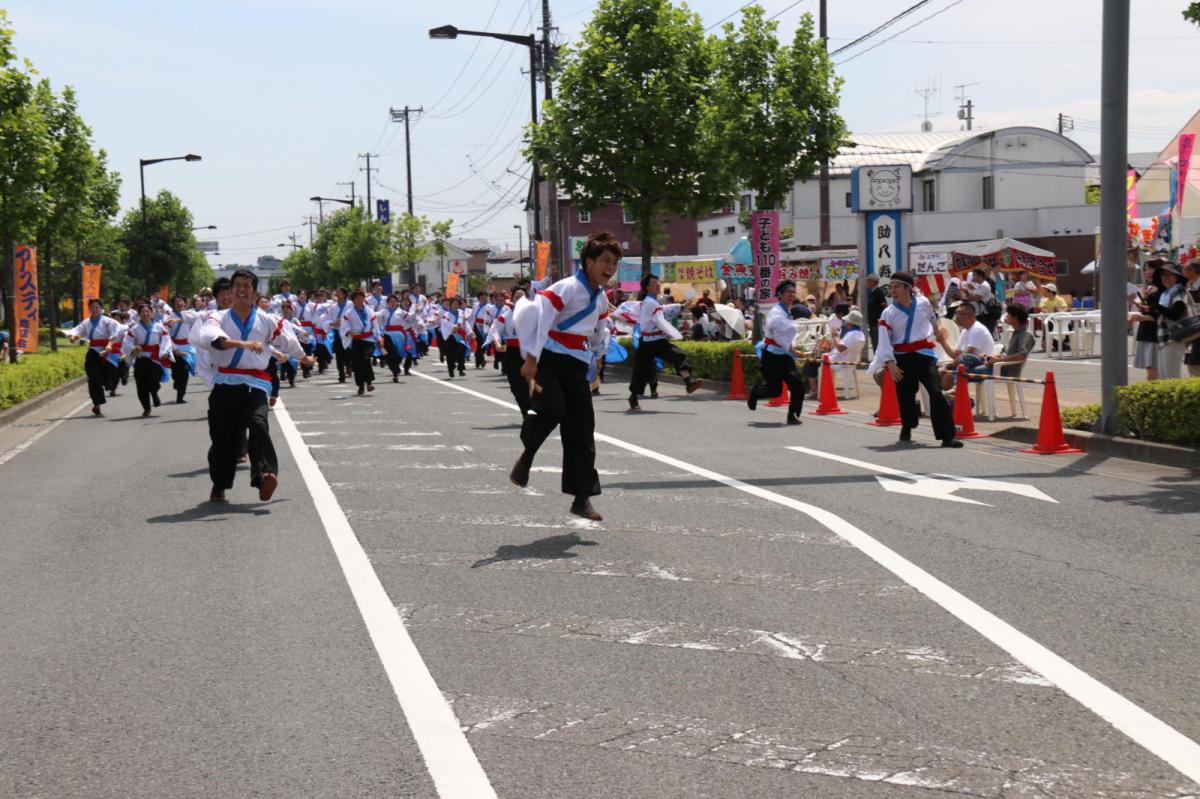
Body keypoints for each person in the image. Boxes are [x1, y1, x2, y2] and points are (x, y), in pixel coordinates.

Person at [508, 231, 616, 521]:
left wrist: (596, 364)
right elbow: (540, 318)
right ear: (589, 262)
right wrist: (531, 358)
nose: (610, 268)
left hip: (578, 365)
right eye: (605, 261)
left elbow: (599, 333)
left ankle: (582, 499)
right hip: (550, 360)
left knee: (582, 430)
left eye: (614, 263)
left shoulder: (601, 299)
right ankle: (527, 455)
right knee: (553, 409)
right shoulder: (567, 287)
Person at [194, 269, 313, 503]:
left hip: (255, 384)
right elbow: (213, 339)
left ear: (254, 291)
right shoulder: (217, 318)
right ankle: (219, 485)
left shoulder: (267, 320)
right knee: (222, 440)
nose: (241, 290)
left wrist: (303, 357)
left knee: (259, 424)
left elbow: (287, 340)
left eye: (246, 286)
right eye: (237, 285)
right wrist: (243, 344)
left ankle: (265, 475)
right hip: (225, 384)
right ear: (231, 289)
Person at [870, 271, 962, 447]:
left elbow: (932, 318)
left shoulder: (923, 303)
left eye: (896, 287)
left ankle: (947, 436)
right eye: (891, 287)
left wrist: (936, 331)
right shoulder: (888, 313)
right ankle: (907, 426)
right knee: (906, 396)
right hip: (901, 358)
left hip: (924, 354)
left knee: (936, 392)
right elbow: (884, 341)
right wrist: (890, 363)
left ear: (908, 288)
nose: (893, 291)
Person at [627, 274, 704, 411]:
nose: (658, 285)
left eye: (658, 282)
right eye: (654, 283)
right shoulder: (650, 302)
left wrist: (681, 306)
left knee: (678, 355)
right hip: (648, 342)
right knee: (641, 371)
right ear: (647, 287)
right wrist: (673, 330)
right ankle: (633, 397)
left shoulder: (652, 302)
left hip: (656, 340)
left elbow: (664, 310)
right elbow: (660, 317)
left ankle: (688, 382)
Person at [747, 281, 807, 425]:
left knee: (798, 385)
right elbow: (780, 335)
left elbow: (788, 334)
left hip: (785, 357)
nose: (791, 295)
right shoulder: (776, 313)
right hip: (772, 356)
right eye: (788, 292)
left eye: (793, 292)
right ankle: (755, 392)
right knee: (775, 391)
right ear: (780, 295)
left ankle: (792, 415)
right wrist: (794, 351)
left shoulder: (787, 312)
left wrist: (793, 350)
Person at [67, 299, 121, 416]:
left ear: (101, 308)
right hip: (93, 351)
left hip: (107, 350)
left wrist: (109, 344)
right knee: (92, 377)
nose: (94, 309)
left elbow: (115, 333)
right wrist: (73, 337)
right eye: (92, 307)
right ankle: (96, 403)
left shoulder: (108, 321)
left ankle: (110, 384)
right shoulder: (86, 322)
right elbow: (78, 331)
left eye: (96, 307)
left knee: (110, 373)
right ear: (89, 309)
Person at [122, 302, 174, 417]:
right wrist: (133, 348)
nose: (145, 314)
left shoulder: (159, 326)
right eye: (143, 312)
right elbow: (127, 342)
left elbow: (166, 339)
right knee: (141, 385)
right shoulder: (135, 328)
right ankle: (146, 408)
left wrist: (165, 351)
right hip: (141, 358)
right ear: (139, 314)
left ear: (151, 313)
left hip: (155, 358)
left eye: (148, 312)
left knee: (154, 380)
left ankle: (154, 393)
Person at [939, 302, 996, 390]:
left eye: (960, 313)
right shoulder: (965, 331)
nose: (957, 316)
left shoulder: (977, 329)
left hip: (982, 364)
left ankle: (954, 393)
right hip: (968, 364)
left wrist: (948, 366)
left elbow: (967, 355)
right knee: (936, 373)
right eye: (956, 313)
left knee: (946, 375)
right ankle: (948, 397)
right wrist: (942, 342)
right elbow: (955, 355)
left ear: (971, 316)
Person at [1150, 262, 1190, 380]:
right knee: (1164, 378)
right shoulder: (1166, 294)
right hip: (1164, 339)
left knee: (1172, 378)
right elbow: (1161, 317)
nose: (1166, 278)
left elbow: (1175, 315)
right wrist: (1151, 308)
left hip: (1173, 339)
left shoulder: (1179, 291)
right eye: (1163, 275)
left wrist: (1156, 306)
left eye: (1169, 275)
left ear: (1176, 277)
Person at [339, 288, 378, 395]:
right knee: (357, 363)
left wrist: (377, 337)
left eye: (361, 298)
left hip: (369, 339)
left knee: (365, 359)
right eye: (357, 299)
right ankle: (361, 385)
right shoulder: (349, 313)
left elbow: (375, 325)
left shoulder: (370, 311)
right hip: (356, 340)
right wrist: (349, 332)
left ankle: (369, 382)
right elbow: (344, 326)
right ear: (353, 300)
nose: (360, 301)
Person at [1130, 260, 1163, 381]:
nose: (1147, 272)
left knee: (1153, 369)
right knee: (1151, 368)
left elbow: (1158, 315)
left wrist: (1140, 317)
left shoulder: (1162, 290)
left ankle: (1152, 396)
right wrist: (1140, 303)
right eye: (1145, 269)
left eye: (1150, 268)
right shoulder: (1149, 288)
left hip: (1155, 333)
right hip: (1146, 331)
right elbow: (1149, 310)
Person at [984, 303, 1035, 377]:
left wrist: (999, 360)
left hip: (1006, 371)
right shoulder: (1014, 333)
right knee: (971, 359)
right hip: (999, 366)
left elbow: (1021, 355)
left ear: (1015, 317)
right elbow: (1005, 353)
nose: (1006, 316)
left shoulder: (1026, 334)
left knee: (970, 370)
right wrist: (992, 357)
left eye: (1008, 314)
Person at [166, 295, 200, 403]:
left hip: (188, 348)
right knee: (176, 373)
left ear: (185, 303)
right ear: (173, 304)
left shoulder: (191, 315)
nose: (179, 303)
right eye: (176, 301)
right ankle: (176, 381)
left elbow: (200, 318)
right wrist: (174, 349)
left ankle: (180, 396)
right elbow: (166, 336)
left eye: (181, 301)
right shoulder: (169, 318)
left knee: (184, 372)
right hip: (175, 348)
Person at [377, 293, 407, 383]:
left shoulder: (401, 312)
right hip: (387, 334)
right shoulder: (383, 312)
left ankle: (395, 371)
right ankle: (395, 372)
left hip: (399, 335)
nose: (392, 303)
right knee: (390, 354)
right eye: (390, 302)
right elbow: (374, 317)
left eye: (394, 301)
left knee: (399, 354)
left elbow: (411, 318)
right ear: (387, 303)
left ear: (397, 302)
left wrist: (416, 312)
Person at [327, 287, 352, 382]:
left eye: (340, 292)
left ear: (345, 294)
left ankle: (349, 365)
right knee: (339, 354)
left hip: (347, 332)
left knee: (348, 352)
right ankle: (341, 374)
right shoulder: (332, 306)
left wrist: (344, 323)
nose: (337, 293)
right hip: (337, 332)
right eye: (337, 291)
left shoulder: (351, 305)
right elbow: (327, 318)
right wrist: (333, 323)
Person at [1038, 283, 1071, 351]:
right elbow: (1042, 308)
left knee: (1069, 324)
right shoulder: (1044, 300)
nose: (1044, 292)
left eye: (1045, 290)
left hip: (1060, 321)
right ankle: (1049, 342)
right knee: (1048, 323)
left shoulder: (1059, 299)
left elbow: (1065, 308)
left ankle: (1063, 343)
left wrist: (1059, 310)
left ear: (1050, 292)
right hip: (1050, 320)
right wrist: (1050, 313)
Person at [1183, 259, 1200, 378]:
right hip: (1192, 331)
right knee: (1192, 365)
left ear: (1192, 271)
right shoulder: (1187, 287)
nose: (1182, 272)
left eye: (1184, 269)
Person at [866, 273, 887, 352]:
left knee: (878, 343)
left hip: (877, 323)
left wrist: (882, 320)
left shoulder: (878, 292)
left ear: (873, 282)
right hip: (872, 323)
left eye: (868, 281)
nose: (867, 282)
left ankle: (880, 361)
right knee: (874, 342)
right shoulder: (872, 292)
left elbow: (885, 306)